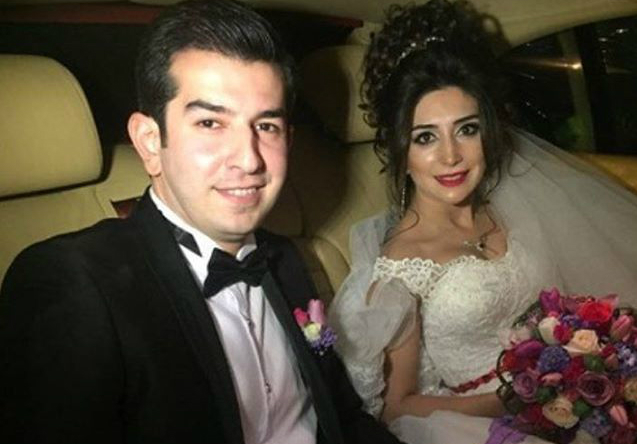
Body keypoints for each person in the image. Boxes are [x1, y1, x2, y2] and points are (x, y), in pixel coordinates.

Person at [0, 1, 404, 444]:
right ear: (149, 142)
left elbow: (343, 418)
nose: (249, 160)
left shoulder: (284, 257)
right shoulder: (70, 284)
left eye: (266, 126)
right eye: (211, 122)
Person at [328, 1, 637, 443]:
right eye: (426, 137)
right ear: (400, 150)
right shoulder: (400, 268)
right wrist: (513, 400)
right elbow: (397, 407)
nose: (451, 155)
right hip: (484, 426)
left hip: (575, 401)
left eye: (467, 129)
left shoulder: (512, 206)